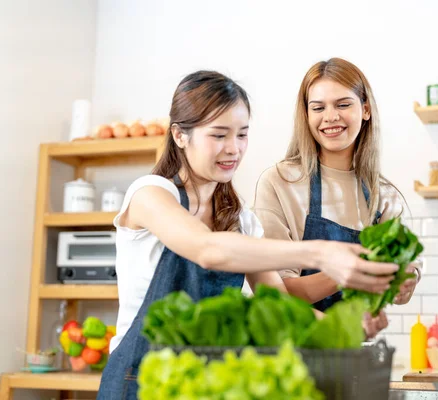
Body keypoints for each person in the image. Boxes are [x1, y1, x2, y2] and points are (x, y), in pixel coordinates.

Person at [97, 70, 399, 399]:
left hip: (204, 386)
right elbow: (207, 249)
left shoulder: (241, 220)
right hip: (138, 381)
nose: (234, 149)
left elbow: (278, 306)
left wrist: (344, 326)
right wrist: (319, 253)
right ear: (180, 136)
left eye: (242, 135)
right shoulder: (150, 194)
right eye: (219, 135)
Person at [253, 58, 421, 337]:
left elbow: (398, 289)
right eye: (318, 107)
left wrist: (405, 280)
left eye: (343, 104)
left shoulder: (384, 196)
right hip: (292, 348)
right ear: (306, 115)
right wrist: (349, 271)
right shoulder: (280, 183)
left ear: (365, 109)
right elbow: (279, 292)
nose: (330, 117)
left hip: (355, 350)